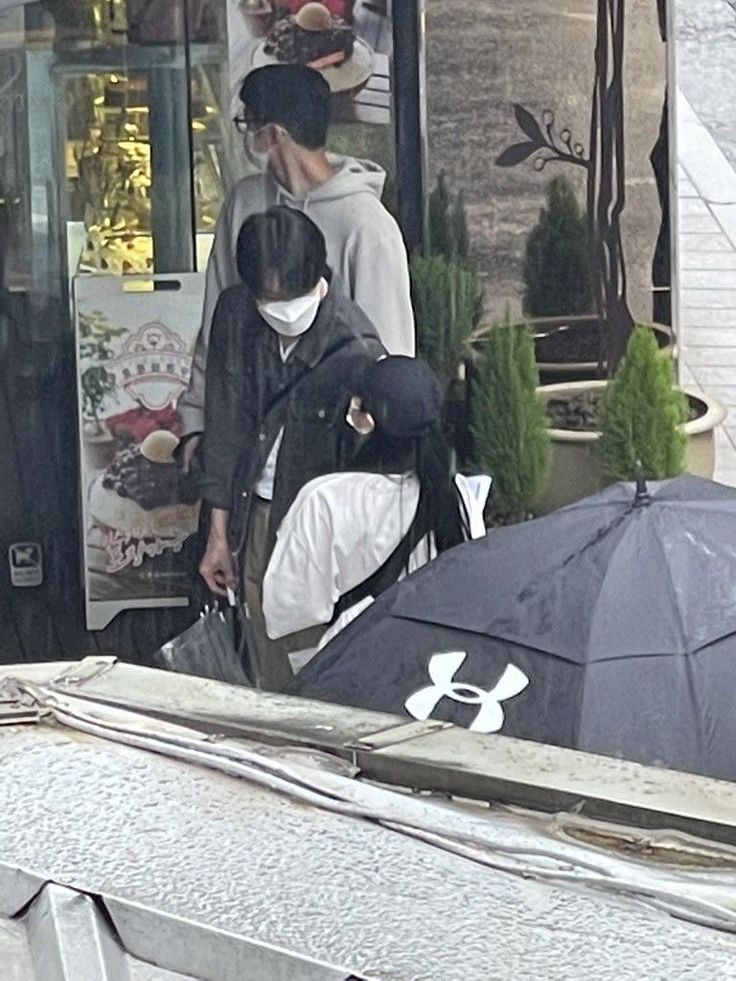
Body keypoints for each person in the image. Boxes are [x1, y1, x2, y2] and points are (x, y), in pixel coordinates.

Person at [178, 63, 414, 462]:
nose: (245, 137)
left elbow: (390, 352)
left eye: (246, 124)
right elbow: (217, 323)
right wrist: (197, 421)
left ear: (272, 134)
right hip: (248, 443)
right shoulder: (244, 202)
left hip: (332, 450)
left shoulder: (367, 226)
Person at [198, 206, 385, 690]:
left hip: (319, 529)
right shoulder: (235, 316)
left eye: (293, 298)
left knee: (317, 667)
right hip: (254, 514)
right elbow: (224, 423)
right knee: (265, 663)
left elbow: (366, 473)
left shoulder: (355, 347)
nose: (282, 309)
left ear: (319, 279)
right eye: (268, 299)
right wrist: (218, 534)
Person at [262, 356, 491, 671]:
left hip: (343, 670)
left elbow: (288, 611)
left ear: (369, 422)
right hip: (431, 667)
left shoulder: (325, 501)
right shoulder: (458, 495)